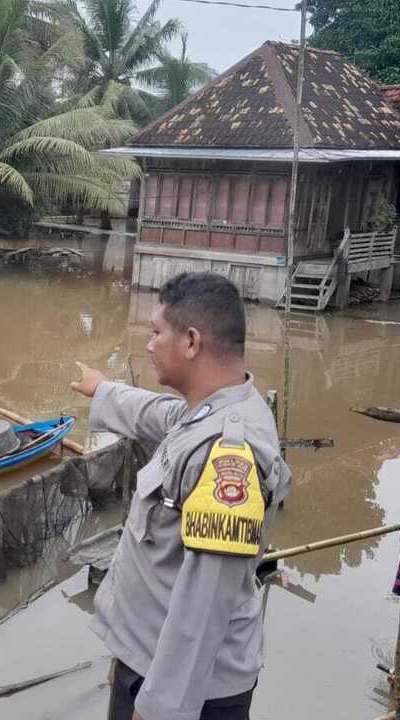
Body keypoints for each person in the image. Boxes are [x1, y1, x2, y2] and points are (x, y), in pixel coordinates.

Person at [69, 272, 292, 720]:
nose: (149, 344)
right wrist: (104, 390)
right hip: (150, 660)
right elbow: (162, 414)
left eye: (156, 332)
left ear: (191, 342)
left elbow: (205, 604)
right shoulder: (212, 410)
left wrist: (158, 709)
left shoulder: (231, 452)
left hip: (188, 692)